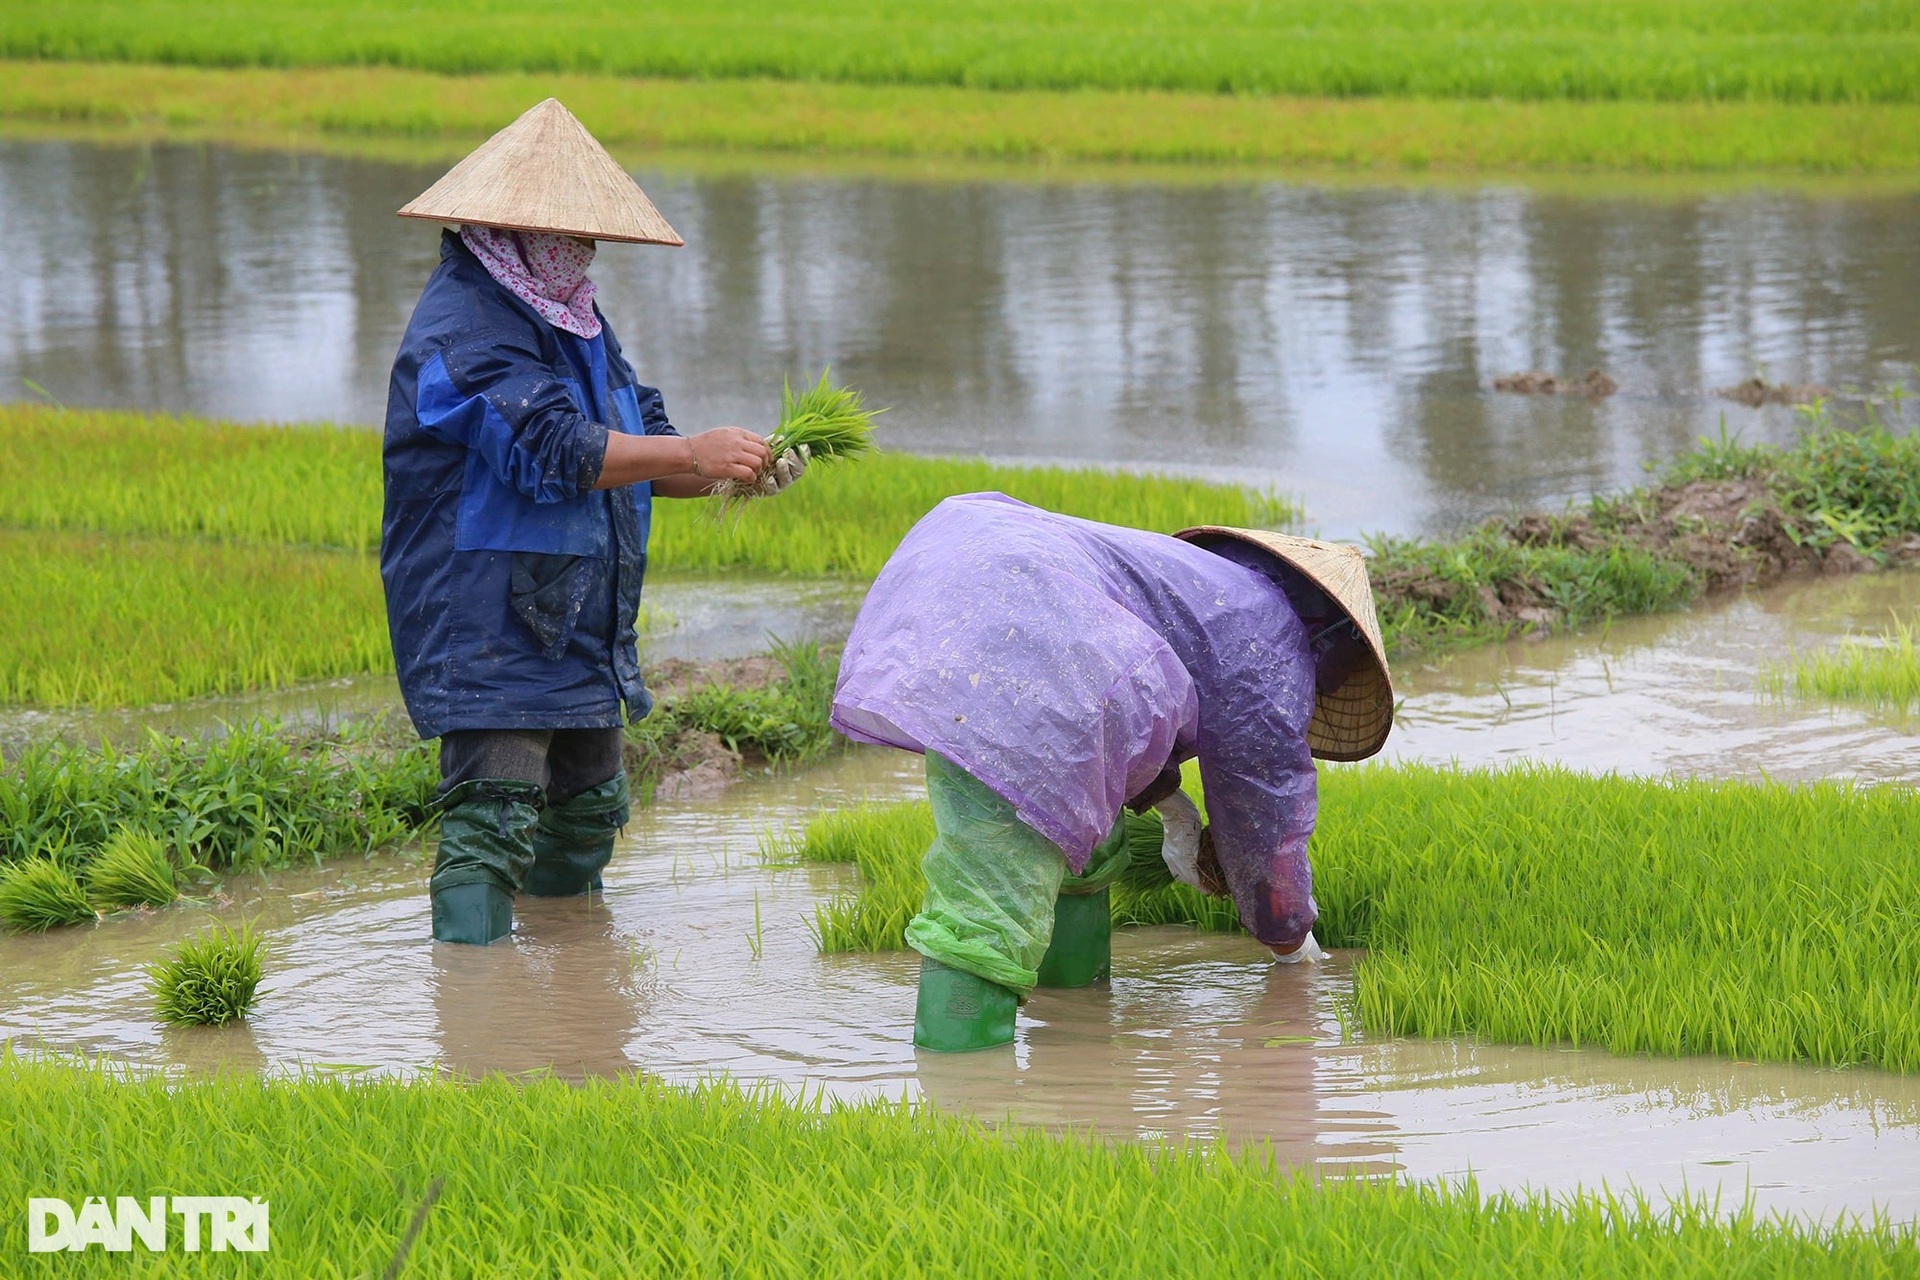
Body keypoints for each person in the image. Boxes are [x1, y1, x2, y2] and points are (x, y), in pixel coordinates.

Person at [382, 99, 808, 944]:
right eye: (564, 233)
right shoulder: (463, 330)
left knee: (588, 810)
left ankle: (572, 990)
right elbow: (558, 449)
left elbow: (640, 447)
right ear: (500, 226)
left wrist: (736, 468)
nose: (581, 250)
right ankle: (476, 1018)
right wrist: (694, 449)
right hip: (487, 619)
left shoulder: (576, 318)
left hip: (577, 616)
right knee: (493, 818)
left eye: (587, 236)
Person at [830, 493, 1394, 1051]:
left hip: (957, 566)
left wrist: (1174, 811)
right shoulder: (1268, 639)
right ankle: (962, 1094)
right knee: (994, 885)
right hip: (1034, 631)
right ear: (1330, 641)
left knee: (1079, 827)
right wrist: (1292, 942)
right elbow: (1263, 812)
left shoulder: (1200, 586)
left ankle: (1072, 1014)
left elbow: (1113, 695)